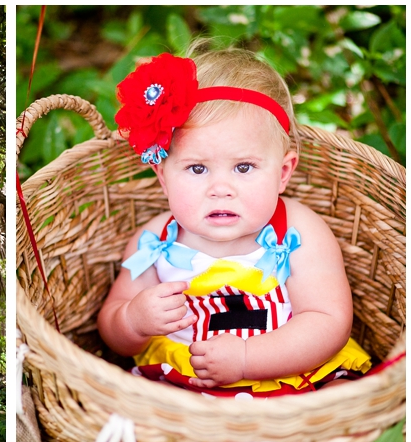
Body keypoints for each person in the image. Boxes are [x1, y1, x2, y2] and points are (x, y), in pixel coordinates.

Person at [97, 43, 371, 397]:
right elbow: (111, 328)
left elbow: (327, 322)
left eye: (244, 167)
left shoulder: (299, 231)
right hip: (183, 386)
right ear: (163, 176)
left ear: (283, 172)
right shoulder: (154, 241)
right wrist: (133, 320)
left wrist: (246, 358)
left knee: (337, 405)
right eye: (197, 168)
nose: (220, 188)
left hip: (289, 379)